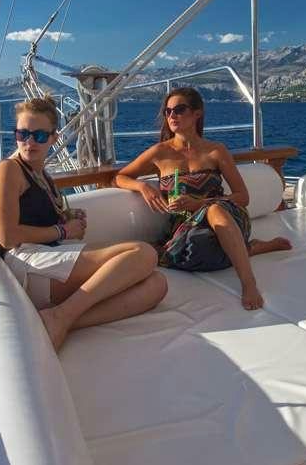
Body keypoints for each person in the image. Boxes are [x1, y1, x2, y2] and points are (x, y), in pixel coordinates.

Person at [0, 96, 166, 351]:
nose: (28, 142)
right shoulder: (9, 169)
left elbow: (35, 218)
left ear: (53, 137)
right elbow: (6, 236)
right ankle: (62, 316)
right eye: (22, 133)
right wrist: (63, 230)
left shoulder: (41, 174)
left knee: (157, 285)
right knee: (144, 254)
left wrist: (64, 218)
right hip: (26, 264)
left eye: (39, 136)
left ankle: (63, 318)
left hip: (45, 261)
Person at [115, 87, 290, 310]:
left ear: (197, 114)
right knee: (196, 248)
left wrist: (201, 204)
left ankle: (248, 282)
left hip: (228, 214)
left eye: (179, 109)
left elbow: (242, 197)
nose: (172, 116)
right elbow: (120, 177)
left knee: (214, 210)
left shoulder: (216, 151)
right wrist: (142, 187)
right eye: (167, 112)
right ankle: (251, 248)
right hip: (187, 226)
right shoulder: (159, 152)